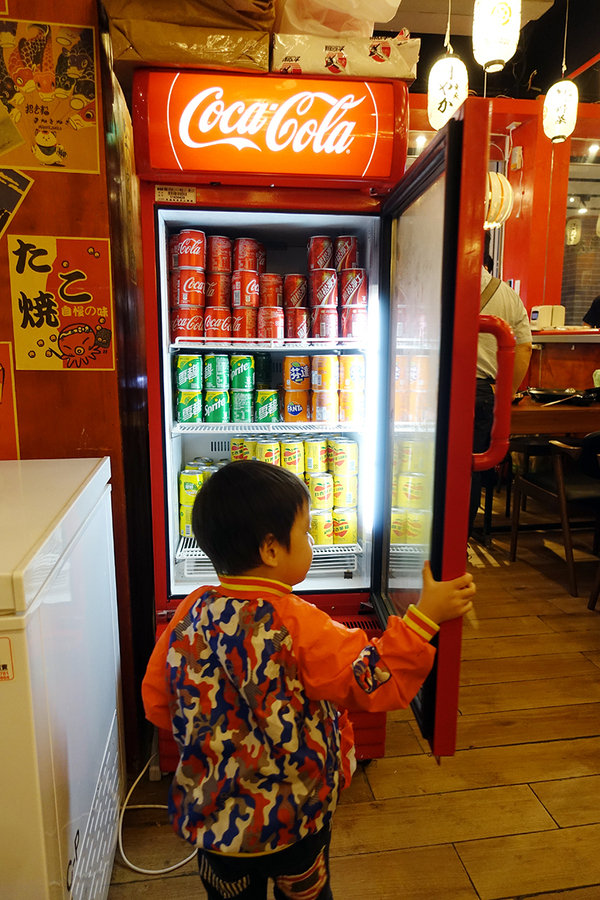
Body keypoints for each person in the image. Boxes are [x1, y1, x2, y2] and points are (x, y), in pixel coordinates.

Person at [142, 460, 476, 900]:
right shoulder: (300, 624)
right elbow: (373, 678)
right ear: (271, 550)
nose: (313, 539)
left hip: (213, 820)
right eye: (305, 530)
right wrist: (424, 618)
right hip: (294, 819)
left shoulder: (191, 610)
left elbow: (158, 702)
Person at [470, 233, 532, 538]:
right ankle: (458, 544)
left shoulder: (436, 282)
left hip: (429, 388)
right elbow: (524, 348)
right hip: (482, 392)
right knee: (468, 471)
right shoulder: (507, 296)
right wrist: (504, 394)